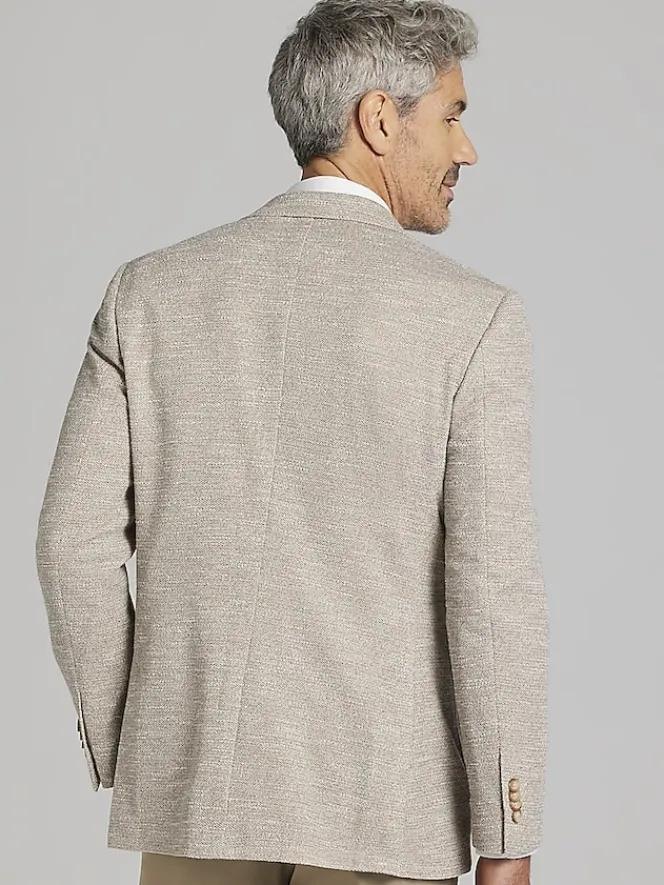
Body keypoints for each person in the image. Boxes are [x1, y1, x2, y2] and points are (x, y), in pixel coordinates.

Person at [34, 2, 549, 884]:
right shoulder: (471, 319)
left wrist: (151, 741)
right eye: (452, 116)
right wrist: (509, 829)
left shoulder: (148, 294)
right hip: (384, 811)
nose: (467, 150)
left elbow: (68, 545)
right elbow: (491, 593)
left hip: (196, 801)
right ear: (378, 119)